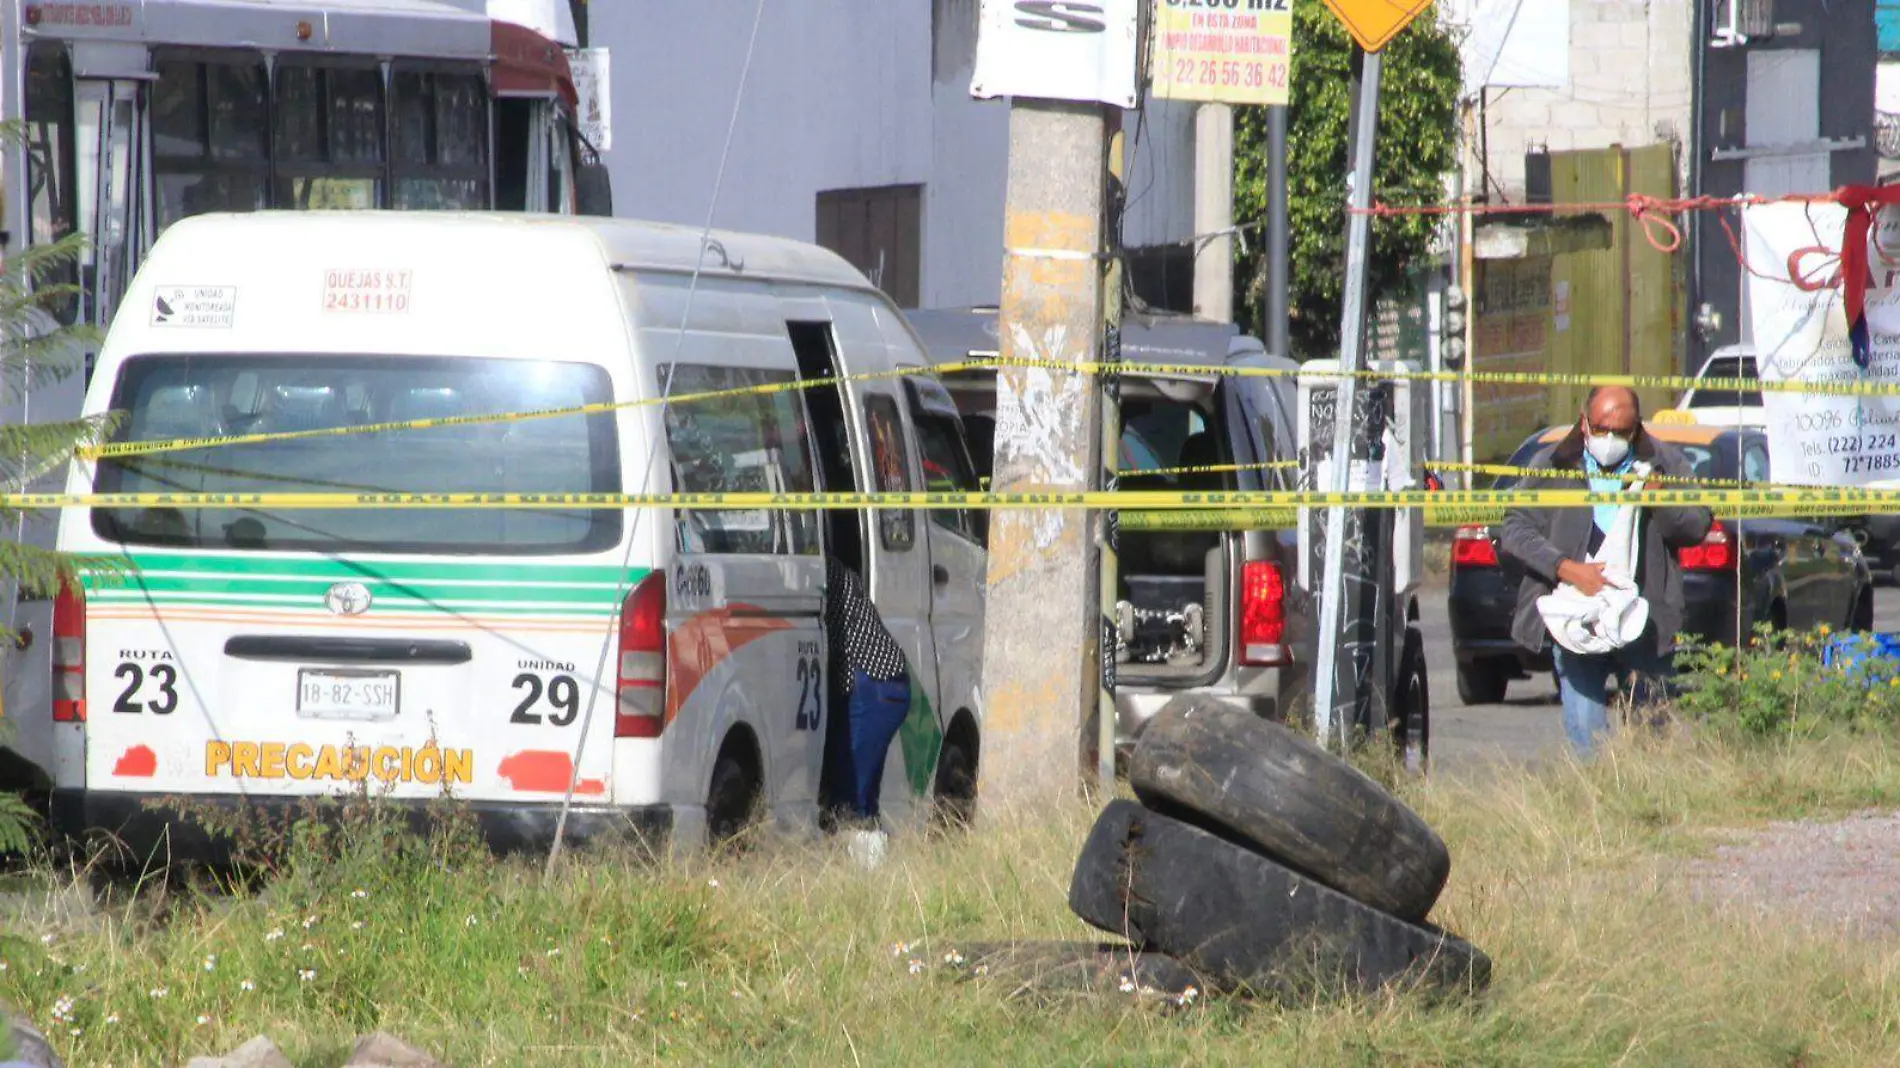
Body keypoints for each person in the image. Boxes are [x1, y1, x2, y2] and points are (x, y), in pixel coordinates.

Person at [1499, 386, 1713, 757]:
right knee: (1587, 739)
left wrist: (1662, 500)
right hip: (1574, 621)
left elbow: (1695, 526)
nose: (1610, 440)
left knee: (1653, 738)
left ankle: (1648, 810)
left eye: (1621, 431)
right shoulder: (1554, 464)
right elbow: (1515, 528)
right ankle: (1596, 803)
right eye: (1601, 429)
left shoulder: (1666, 463)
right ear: (1584, 422)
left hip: (1645, 622)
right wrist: (1565, 569)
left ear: (1638, 429)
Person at [820, 554, 912, 868]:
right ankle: (866, 870)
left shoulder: (822, 575)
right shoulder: (837, 570)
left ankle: (864, 876)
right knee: (860, 791)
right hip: (885, 683)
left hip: (874, 683)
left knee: (853, 798)